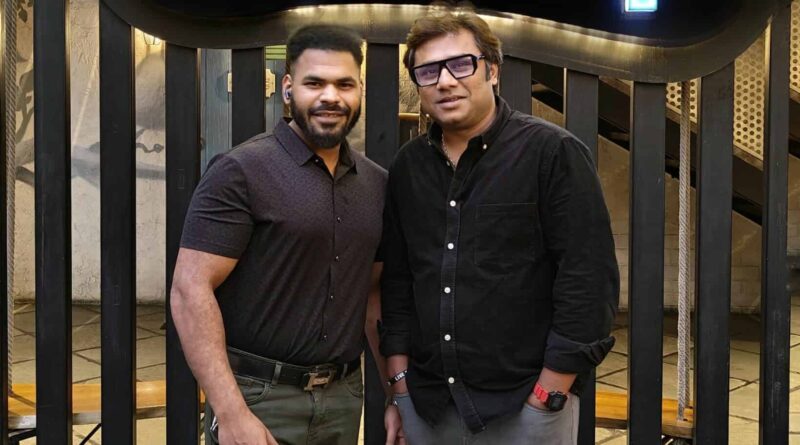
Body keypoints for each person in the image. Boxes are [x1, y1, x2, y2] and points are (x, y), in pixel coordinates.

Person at [380, 9, 619, 445]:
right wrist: (399, 385)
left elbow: (588, 281)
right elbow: (397, 281)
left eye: (460, 64)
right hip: (429, 406)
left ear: (492, 70)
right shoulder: (407, 168)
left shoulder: (552, 153)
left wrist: (550, 392)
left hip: (524, 406)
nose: (445, 81)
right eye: (428, 71)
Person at [170, 24, 389, 445]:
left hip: (344, 399)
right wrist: (231, 412)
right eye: (314, 83)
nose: (331, 96)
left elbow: (373, 295)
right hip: (259, 398)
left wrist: (396, 394)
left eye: (345, 84)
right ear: (288, 88)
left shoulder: (376, 184)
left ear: (360, 91)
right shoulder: (242, 171)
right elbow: (190, 289)